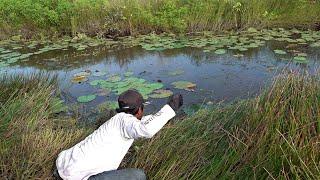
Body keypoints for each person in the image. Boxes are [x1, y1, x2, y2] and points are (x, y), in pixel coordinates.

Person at [55, 89, 183, 180]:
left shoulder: (118, 120)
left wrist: (164, 116)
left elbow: (141, 123)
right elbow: (146, 130)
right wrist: (171, 107)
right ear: (139, 110)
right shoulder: (125, 122)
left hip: (62, 164)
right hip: (76, 177)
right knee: (139, 176)